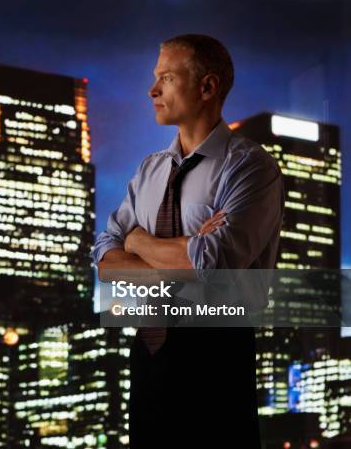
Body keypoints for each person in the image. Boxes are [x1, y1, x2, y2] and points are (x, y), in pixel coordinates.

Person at [91, 34, 284, 448]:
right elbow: (106, 262)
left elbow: (212, 265)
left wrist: (139, 242)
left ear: (207, 86)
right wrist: (184, 250)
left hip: (216, 359)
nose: (152, 90)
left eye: (166, 77)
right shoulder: (149, 171)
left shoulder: (251, 167)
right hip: (147, 354)